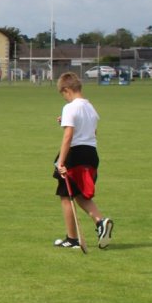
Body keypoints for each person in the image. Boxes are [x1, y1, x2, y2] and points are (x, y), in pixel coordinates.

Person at [52, 72, 113, 249]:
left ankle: (72, 239)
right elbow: (92, 132)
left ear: (66, 90)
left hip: (75, 154)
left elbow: (68, 136)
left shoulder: (70, 107)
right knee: (79, 194)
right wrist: (65, 122)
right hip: (91, 153)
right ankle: (100, 222)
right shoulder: (90, 107)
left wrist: (61, 162)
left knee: (66, 195)